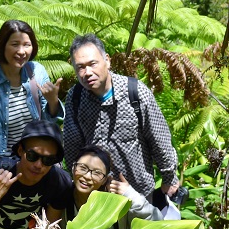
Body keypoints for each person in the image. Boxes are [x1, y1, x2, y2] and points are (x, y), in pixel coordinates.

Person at [62, 33, 179, 199]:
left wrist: (169, 177)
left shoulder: (135, 93)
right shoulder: (75, 97)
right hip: (96, 194)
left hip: (138, 193)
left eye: (92, 64)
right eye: (80, 67)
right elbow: (72, 144)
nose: (87, 72)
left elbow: (159, 138)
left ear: (107, 61)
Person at [0, 19, 64, 170]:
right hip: (3, 163)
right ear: (3, 45)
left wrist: (53, 101)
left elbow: (49, 125)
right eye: (15, 44)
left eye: (27, 45)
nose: (21, 51)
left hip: (36, 161)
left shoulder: (37, 72)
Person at [62, 145, 163, 229]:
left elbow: (156, 221)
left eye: (96, 172)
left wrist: (130, 194)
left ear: (105, 179)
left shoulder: (117, 202)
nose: (87, 176)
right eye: (83, 168)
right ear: (73, 167)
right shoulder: (63, 200)